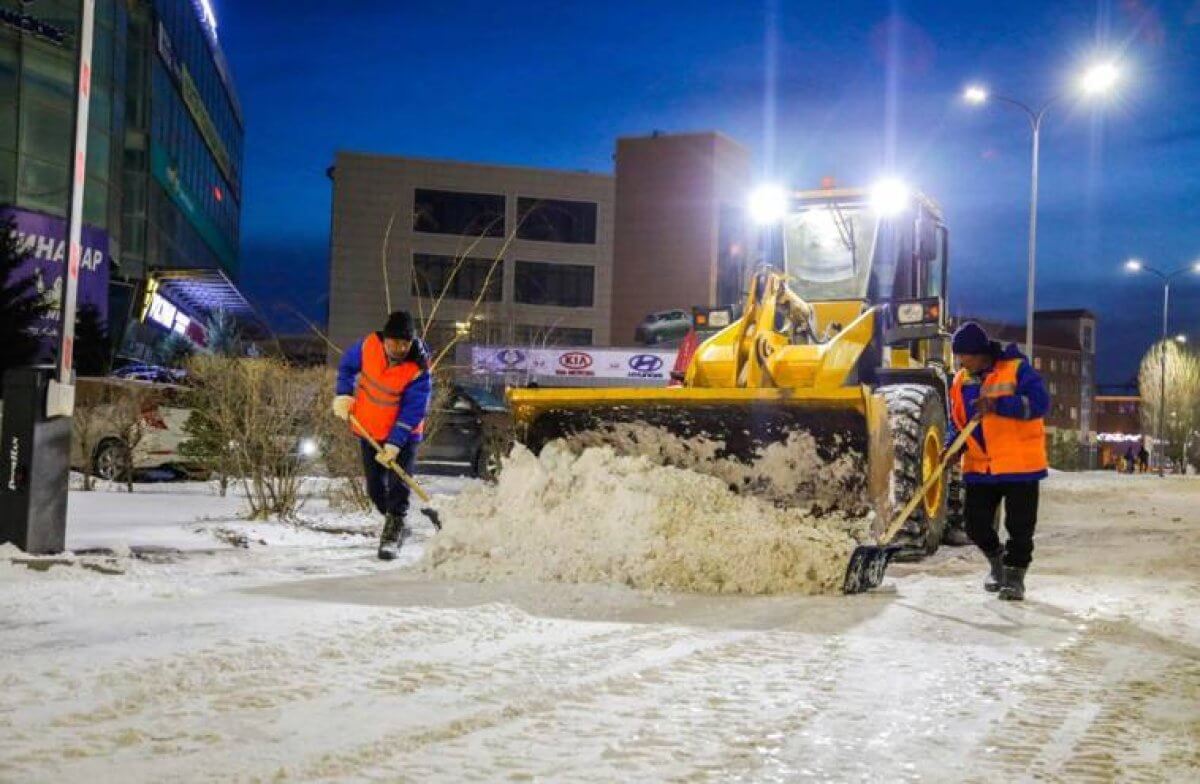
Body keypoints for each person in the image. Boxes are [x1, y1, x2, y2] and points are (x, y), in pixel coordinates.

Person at [946, 322, 1050, 601]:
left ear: (981, 353)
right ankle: (997, 563)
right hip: (980, 466)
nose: (961, 361)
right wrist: (952, 447)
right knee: (975, 525)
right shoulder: (959, 381)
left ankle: (1014, 578)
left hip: (1020, 465)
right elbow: (957, 422)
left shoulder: (1017, 370)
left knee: (1020, 527)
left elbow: (1039, 404)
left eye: (965, 355)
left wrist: (997, 405)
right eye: (959, 356)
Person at [332, 311, 432, 560]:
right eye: (394, 341)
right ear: (384, 339)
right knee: (376, 490)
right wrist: (344, 394)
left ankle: (392, 533)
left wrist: (396, 444)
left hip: (403, 437)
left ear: (412, 342)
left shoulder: (419, 367)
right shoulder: (368, 346)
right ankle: (397, 524)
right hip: (370, 430)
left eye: (404, 343)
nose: (399, 347)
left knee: (399, 487)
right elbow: (346, 366)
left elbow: (414, 409)